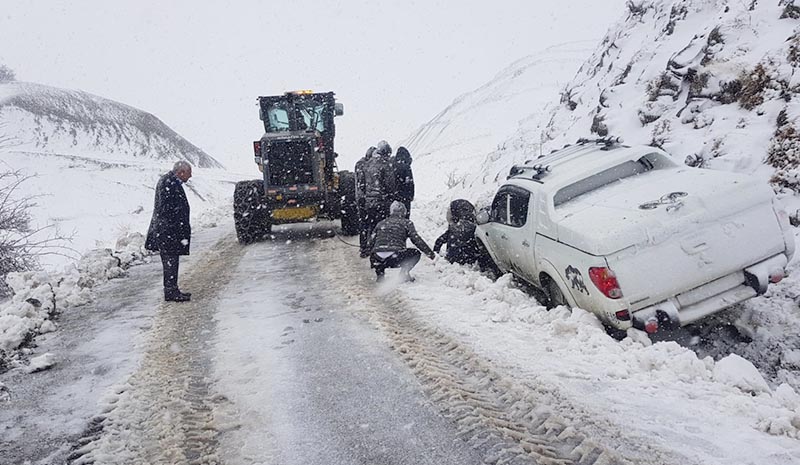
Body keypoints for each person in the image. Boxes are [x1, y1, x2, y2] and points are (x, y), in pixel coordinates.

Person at [145, 161, 193, 302]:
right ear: (181, 172)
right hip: (168, 231)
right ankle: (171, 292)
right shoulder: (169, 183)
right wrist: (177, 224)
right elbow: (167, 208)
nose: (190, 177)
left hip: (167, 230)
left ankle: (172, 289)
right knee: (170, 261)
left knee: (171, 261)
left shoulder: (169, 181)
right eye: (189, 173)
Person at [367, 201, 435, 282]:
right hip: (395, 257)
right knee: (415, 253)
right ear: (404, 212)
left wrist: (369, 251)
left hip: (377, 258)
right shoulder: (407, 223)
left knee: (378, 253)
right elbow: (416, 239)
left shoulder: (381, 223)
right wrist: (429, 253)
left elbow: (370, 242)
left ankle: (380, 274)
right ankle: (404, 274)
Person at [361, 140, 397, 257]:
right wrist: (391, 195)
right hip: (382, 201)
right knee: (383, 226)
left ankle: (368, 249)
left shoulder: (368, 164)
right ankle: (382, 251)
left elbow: (362, 183)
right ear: (386, 153)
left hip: (369, 202)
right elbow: (389, 185)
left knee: (371, 226)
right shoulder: (385, 165)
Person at [433, 199, 482, 265]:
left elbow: (439, 241)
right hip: (471, 261)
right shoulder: (476, 229)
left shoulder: (454, 230)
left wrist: (435, 254)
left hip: (454, 262)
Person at [355, 146, 376, 256]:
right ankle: (367, 247)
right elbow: (363, 183)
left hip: (362, 198)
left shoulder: (360, 164)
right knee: (368, 224)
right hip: (365, 199)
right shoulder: (364, 165)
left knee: (364, 224)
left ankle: (364, 248)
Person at [392, 146, 415, 218]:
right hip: (405, 196)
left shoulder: (392, 165)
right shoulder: (406, 167)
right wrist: (410, 196)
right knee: (405, 217)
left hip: (393, 196)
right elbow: (409, 183)